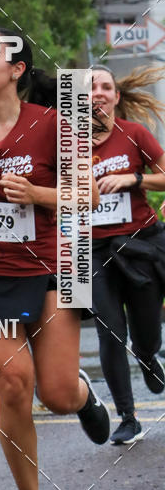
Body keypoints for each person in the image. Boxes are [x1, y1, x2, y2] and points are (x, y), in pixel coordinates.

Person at [0, 28, 109, 490]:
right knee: (13, 383)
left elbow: (86, 196)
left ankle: (83, 396)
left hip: (54, 266)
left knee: (56, 394)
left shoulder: (54, 124)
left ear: (17, 70)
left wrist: (37, 192)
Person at [91, 65, 165, 444]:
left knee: (146, 331)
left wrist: (133, 179)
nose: (98, 93)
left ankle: (150, 357)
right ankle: (128, 417)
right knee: (109, 332)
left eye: (106, 87)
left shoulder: (134, 134)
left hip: (138, 245)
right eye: (90, 87)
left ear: (116, 97)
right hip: (93, 252)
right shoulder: (65, 146)